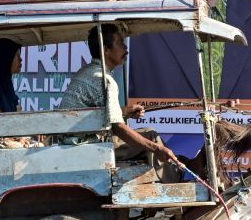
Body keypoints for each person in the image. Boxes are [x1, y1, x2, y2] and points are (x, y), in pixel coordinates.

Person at [59, 24, 180, 167]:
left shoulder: (87, 71)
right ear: (106, 50)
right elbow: (118, 128)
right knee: (151, 138)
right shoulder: (104, 80)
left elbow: (96, 114)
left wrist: (125, 111)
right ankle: (178, 174)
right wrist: (156, 148)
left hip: (71, 142)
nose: (125, 48)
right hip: (84, 147)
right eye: (120, 43)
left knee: (149, 135)